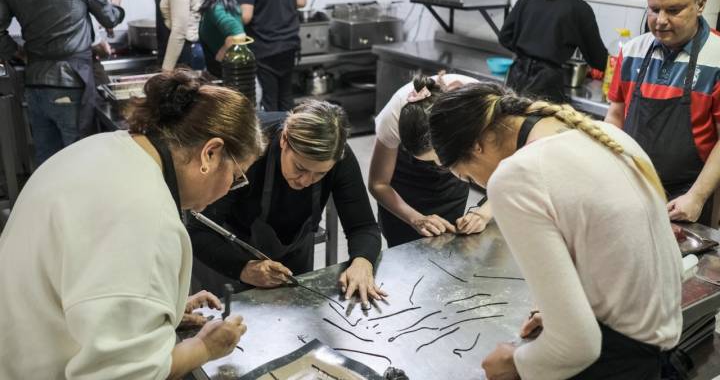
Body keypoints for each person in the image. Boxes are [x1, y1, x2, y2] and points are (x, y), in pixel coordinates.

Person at [0, 69, 265, 378]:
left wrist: (155, 310)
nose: (227, 191)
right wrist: (204, 348)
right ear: (210, 153)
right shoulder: (146, 214)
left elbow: (90, 282)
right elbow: (123, 375)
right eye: (235, 178)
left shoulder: (104, 148)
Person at [428, 82, 682, 379]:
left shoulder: (515, 176)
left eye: (466, 175)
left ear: (476, 146)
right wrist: (560, 313)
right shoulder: (609, 135)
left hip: (615, 363)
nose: (479, 185)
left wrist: (516, 362)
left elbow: (578, 346)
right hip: (660, 348)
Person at [190, 100, 385, 307]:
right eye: (300, 168)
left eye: (320, 174)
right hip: (225, 253)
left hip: (293, 253)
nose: (306, 181)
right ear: (284, 140)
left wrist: (362, 261)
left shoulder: (338, 154)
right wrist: (244, 268)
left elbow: (363, 227)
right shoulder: (249, 150)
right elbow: (197, 231)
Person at [0, 0, 124, 165]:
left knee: (47, 163)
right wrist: (116, 1)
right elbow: (110, 18)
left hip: (34, 85)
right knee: (81, 160)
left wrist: (17, 52)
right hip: (72, 85)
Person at [606, 0, 720, 226]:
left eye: (673, 10)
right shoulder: (632, 50)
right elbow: (615, 114)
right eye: (654, 9)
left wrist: (697, 196)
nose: (660, 20)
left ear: (700, 4)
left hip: (686, 196)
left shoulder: (717, 57)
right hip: (630, 186)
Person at [369, 72, 492, 247]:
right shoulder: (393, 117)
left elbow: (511, 172)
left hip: (450, 188)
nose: (438, 166)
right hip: (406, 183)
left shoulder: (482, 108)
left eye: (441, 157)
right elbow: (378, 184)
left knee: (448, 244)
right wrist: (415, 218)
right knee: (403, 249)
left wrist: (484, 213)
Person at [499, 0, 607, 103]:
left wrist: (526, 54)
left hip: (515, 76)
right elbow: (598, 59)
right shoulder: (580, 8)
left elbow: (504, 37)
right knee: (536, 126)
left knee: (508, 123)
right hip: (545, 85)